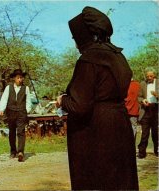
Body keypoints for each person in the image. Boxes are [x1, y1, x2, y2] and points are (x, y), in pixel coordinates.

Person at [56, 6, 139, 190]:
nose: (74, 41)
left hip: (96, 134)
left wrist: (63, 100)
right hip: (120, 127)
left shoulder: (89, 59)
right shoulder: (119, 57)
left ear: (84, 35)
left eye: (75, 36)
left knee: (97, 182)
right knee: (119, 182)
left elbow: (80, 105)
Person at [0, 69, 32, 162]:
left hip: (21, 112)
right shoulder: (8, 88)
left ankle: (21, 152)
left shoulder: (26, 88)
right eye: (18, 78)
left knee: (21, 131)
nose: (20, 79)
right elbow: (4, 99)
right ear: (14, 78)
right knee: (12, 132)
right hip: (11, 112)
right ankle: (13, 151)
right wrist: (2, 109)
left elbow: (28, 101)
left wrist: (27, 111)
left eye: (21, 77)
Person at [137, 67, 158, 158]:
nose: (149, 78)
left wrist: (157, 95)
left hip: (156, 109)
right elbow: (139, 97)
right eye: (147, 76)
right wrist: (143, 100)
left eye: (151, 76)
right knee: (145, 133)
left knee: (155, 132)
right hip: (146, 109)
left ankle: (157, 151)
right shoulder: (142, 83)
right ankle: (142, 152)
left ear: (154, 76)